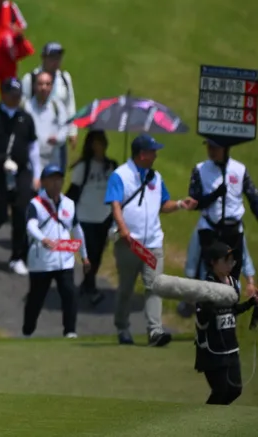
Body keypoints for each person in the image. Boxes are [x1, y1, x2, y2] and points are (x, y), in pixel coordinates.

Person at [107, 134, 197, 346]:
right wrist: (124, 230)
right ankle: (122, 327)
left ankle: (155, 331)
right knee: (126, 288)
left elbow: (163, 204)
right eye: (153, 151)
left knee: (155, 286)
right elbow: (115, 205)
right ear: (142, 154)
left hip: (153, 243)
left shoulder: (155, 177)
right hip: (129, 243)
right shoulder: (120, 175)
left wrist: (179, 205)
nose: (156, 155)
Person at [0, 77, 40, 274]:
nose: (15, 98)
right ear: (3, 94)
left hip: (21, 171)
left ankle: (17, 257)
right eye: (12, 94)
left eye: (18, 95)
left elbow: (33, 148)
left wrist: (37, 175)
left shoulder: (26, 118)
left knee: (21, 211)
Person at [22, 164, 89, 338]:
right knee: (36, 299)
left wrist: (84, 256)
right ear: (44, 182)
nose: (56, 183)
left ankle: (70, 331)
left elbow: (77, 230)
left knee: (70, 294)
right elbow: (31, 226)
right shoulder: (36, 204)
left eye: (59, 179)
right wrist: (43, 239)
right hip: (42, 261)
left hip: (64, 259)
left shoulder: (69, 204)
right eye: (52, 179)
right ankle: (27, 331)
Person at [188, 139, 258, 286]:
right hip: (210, 230)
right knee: (208, 275)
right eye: (209, 147)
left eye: (215, 147)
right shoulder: (200, 169)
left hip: (233, 231)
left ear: (225, 148)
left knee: (233, 274)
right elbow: (194, 203)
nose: (211, 151)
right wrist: (215, 195)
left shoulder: (239, 169)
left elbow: (253, 199)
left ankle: (232, 300)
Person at [193, 242, 255, 405]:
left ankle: (213, 416)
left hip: (230, 346)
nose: (230, 264)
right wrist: (209, 306)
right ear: (213, 262)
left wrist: (250, 303)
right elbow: (201, 319)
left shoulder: (233, 283)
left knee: (235, 389)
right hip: (211, 349)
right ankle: (206, 416)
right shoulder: (206, 287)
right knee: (221, 390)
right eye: (226, 260)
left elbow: (232, 310)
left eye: (232, 261)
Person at [66, 130, 117, 306]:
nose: (100, 146)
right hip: (85, 217)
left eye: (102, 142)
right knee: (89, 254)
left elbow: (116, 191)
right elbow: (73, 192)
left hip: (104, 217)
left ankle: (86, 284)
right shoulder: (83, 167)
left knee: (98, 255)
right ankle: (91, 288)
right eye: (96, 142)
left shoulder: (112, 166)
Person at [25, 70, 72, 171]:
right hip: (31, 160)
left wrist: (58, 138)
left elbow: (64, 128)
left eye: (47, 84)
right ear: (34, 86)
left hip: (52, 159)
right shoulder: (27, 108)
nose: (44, 88)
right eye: (40, 84)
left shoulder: (57, 107)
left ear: (51, 87)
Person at [24, 42, 77, 123]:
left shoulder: (65, 78)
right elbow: (23, 105)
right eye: (52, 58)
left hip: (59, 127)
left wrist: (72, 128)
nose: (56, 61)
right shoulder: (30, 78)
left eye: (58, 58)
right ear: (43, 58)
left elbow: (70, 105)